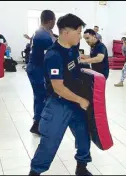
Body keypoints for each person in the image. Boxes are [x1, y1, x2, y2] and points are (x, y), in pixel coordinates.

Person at [29, 13, 92, 176]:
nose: (80, 36)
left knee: (84, 135)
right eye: (78, 33)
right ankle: (35, 172)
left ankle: (82, 168)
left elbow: (75, 71)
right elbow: (58, 87)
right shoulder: (54, 55)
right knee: (49, 142)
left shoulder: (73, 48)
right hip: (59, 104)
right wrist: (81, 100)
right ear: (66, 33)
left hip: (75, 103)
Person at [27, 10, 57, 136]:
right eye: (54, 21)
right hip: (37, 69)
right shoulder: (43, 36)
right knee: (41, 96)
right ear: (51, 21)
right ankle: (37, 125)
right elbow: (54, 50)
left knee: (39, 96)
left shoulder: (40, 32)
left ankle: (38, 121)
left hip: (36, 68)